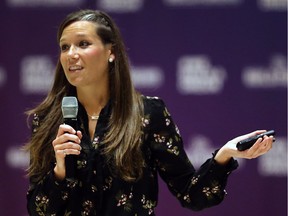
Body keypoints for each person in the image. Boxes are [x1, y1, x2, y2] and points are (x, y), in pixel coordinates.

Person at [25, 9, 274, 216]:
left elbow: (191, 194)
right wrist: (59, 169)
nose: (71, 55)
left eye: (83, 44)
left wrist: (224, 155)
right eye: (64, 47)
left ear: (111, 52)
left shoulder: (147, 114)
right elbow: (39, 210)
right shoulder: (48, 120)